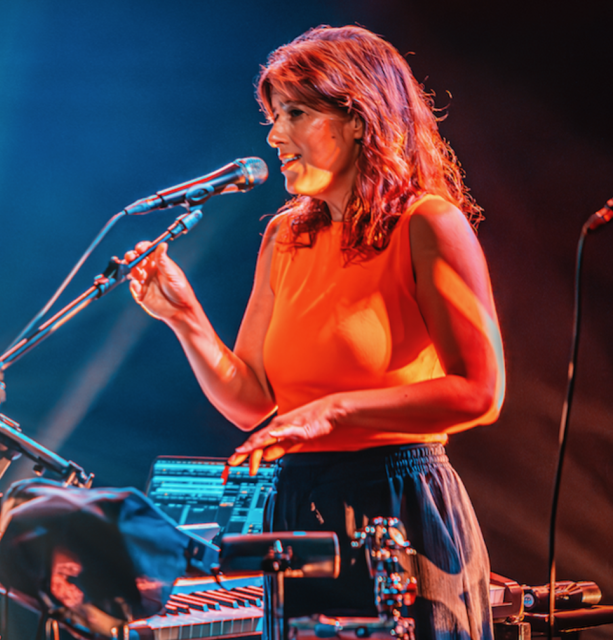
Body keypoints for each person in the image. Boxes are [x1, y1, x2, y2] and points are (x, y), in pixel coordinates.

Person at [124, 26, 503, 640]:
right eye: (274, 117)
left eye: (295, 114)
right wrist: (184, 317)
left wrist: (333, 412)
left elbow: (481, 392)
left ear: (359, 119)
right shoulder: (285, 237)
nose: (275, 136)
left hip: (398, 505)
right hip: (298, 511)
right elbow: (252, 402)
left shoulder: (428, 223)